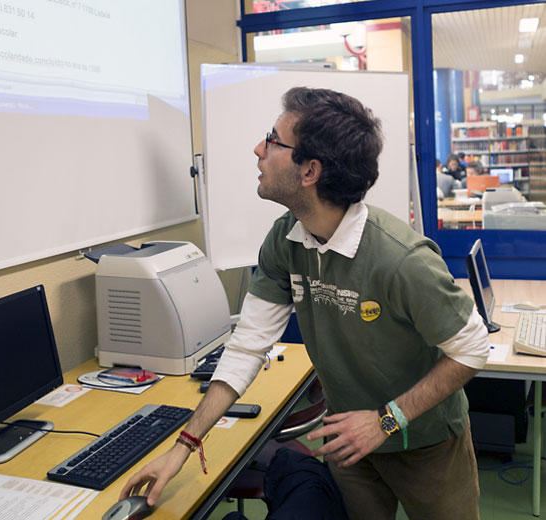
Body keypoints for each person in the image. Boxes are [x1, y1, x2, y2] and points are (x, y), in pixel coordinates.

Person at [120, 87, 490, 520]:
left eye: (273, 140)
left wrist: (385, 421)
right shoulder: (286, 240)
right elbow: (246, 347)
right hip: (347, 440)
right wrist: (183, 448)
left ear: (310, 170)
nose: (258, 149)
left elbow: (473, 348)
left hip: (425, 441)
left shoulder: (401, 260)